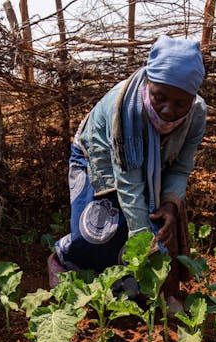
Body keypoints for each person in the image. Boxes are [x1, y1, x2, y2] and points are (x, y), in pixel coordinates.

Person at [49, 35, 207, 310]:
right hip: (97, 159)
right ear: (148, 83)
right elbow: (129, 180)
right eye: (159, 98)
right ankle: (63, 257)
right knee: (101, 232)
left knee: (159, 226)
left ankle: (147, 289)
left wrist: (170, 204)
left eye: (180, 103)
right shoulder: (126, 107)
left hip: (153, 168)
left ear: (192, 98)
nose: (169, 110)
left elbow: (181, 167)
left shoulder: (197, 114)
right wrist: (141, 239)